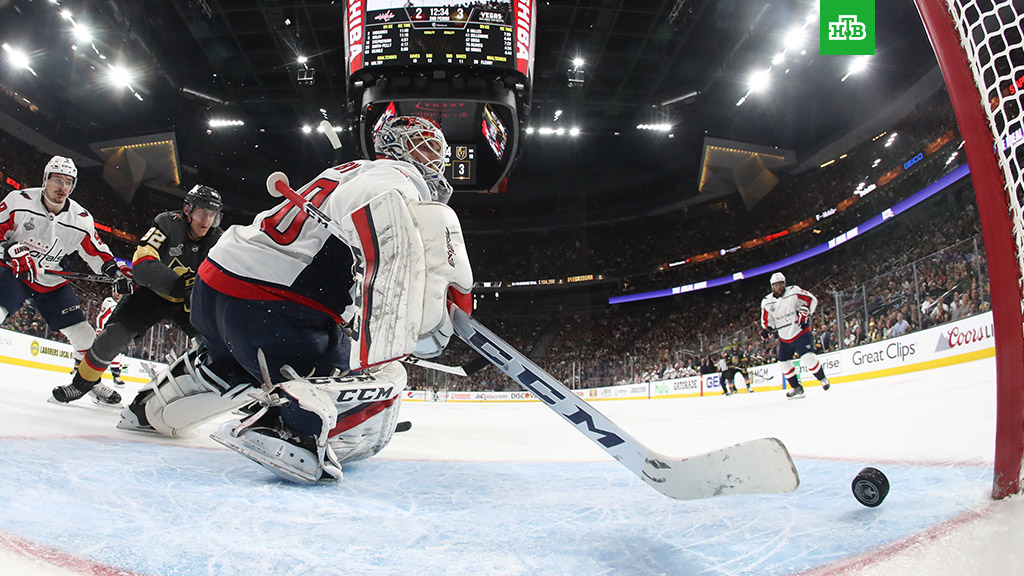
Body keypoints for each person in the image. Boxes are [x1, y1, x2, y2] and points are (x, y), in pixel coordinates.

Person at [117, 116, 473, 485]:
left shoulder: (346, 172)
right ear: (396, 146)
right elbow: (388, 248)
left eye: (437, 149)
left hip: (215, 290)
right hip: (271, 307)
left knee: (232, 363)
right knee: (385, 374)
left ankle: (151, 410)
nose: (435, 159)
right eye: (426, 146)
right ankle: (288, 426)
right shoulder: (395, 179)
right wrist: (409, 325)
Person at [51, 184, 224, 405]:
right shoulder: (166, 223)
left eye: (212, 214)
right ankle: (80, 385)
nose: (206, 220)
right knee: (112, 337)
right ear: (187, 209)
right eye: (202, 212)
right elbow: (142, 264)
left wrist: (200, 290)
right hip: (151, 295)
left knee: (215, 345)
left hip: (188, 302)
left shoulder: (219, 240)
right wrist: (181, 285)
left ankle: (220, 392)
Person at [0, 156, 132, 405]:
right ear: (45, 179)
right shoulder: (19, 202)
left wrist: (116, 273)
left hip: (51, 280)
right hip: (16, 273)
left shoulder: (80, 219)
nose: (63, 187)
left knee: (85, 336)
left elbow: (97, 251)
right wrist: (8, 250)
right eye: (57, 180)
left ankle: (91, 383)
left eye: (69, 182)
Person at [759, 272, 831, 399]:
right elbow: (767, 320)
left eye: (781, 284)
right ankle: (797, 388)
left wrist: (806, 312)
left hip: (800, 332)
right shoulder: (767, 302)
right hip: (785, 338)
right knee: (783, 363)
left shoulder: (794, 291)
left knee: (808, 358)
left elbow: (811, 300)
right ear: (772, 286)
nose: (779, 287)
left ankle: (823, 379)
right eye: (776, 285)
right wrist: (767, 329)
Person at [95, 288, 126, 387]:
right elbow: (101, 317)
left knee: (121, 354)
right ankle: (116, 376)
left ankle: (116, 374)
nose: (118, 294)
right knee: (112, 353)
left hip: (118, 332)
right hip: (108, 331)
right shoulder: (109, 301)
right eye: (117, 292)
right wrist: (99, 329)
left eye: (120, 293)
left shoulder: (122, 303)